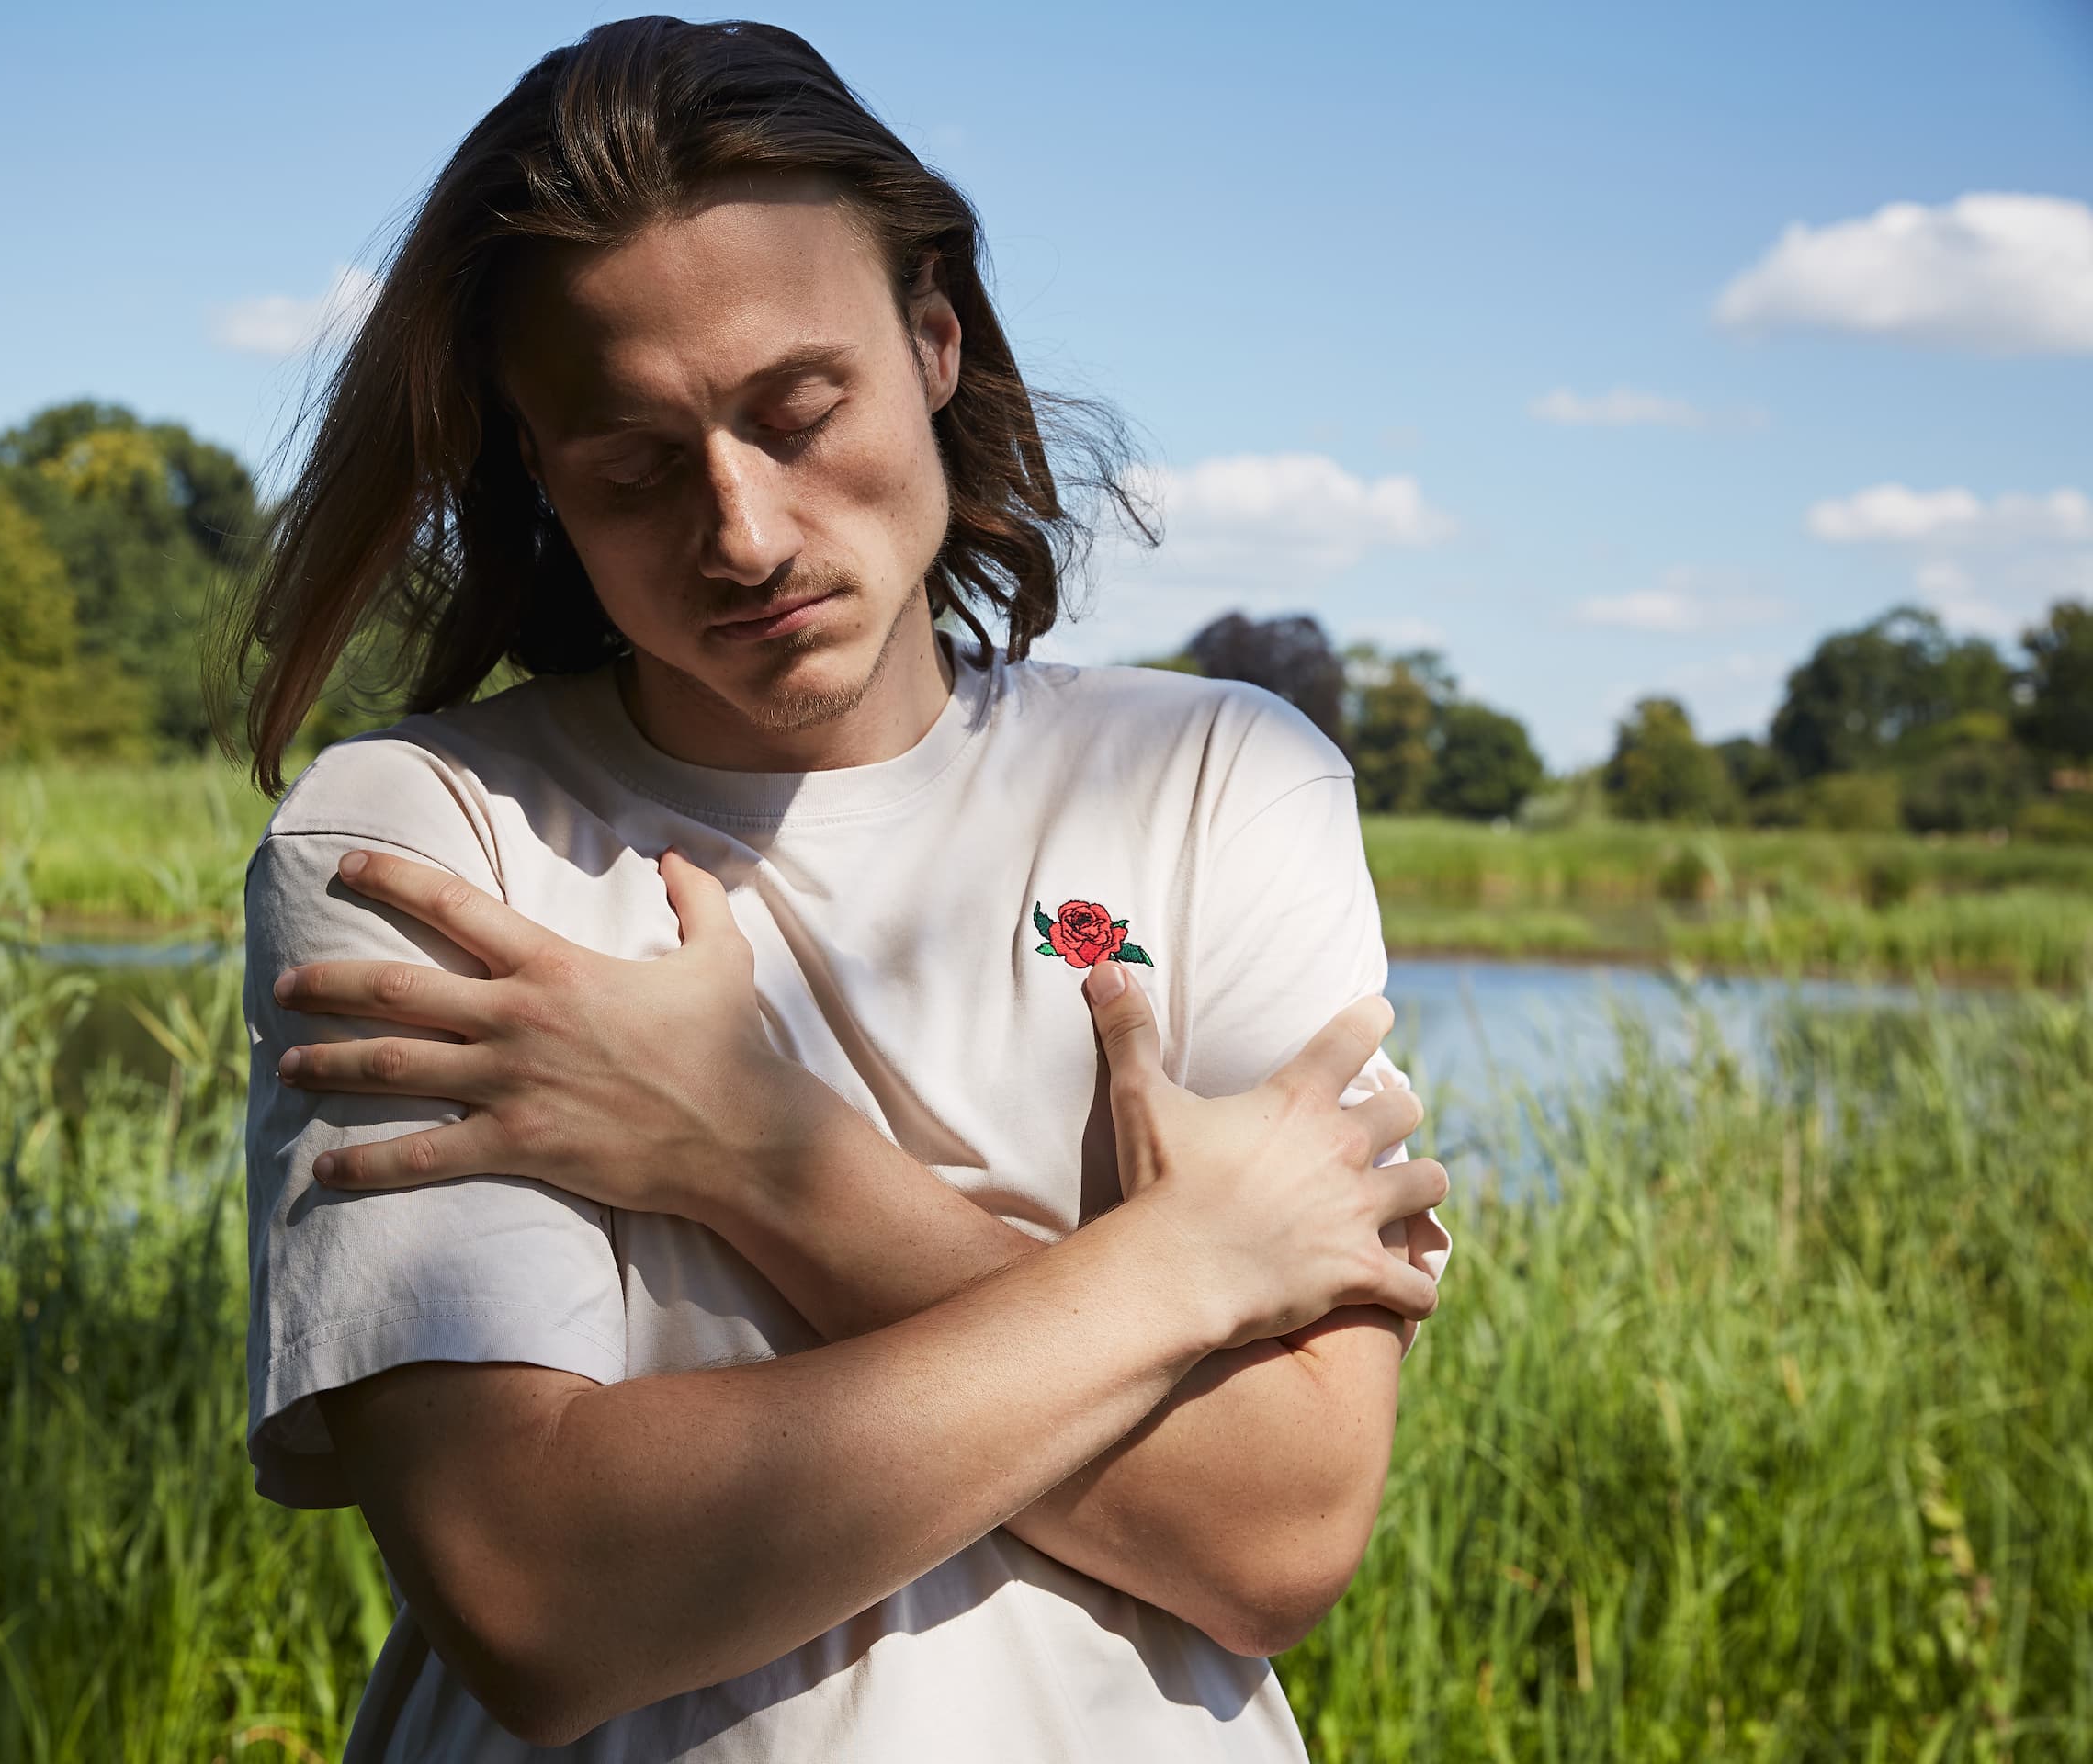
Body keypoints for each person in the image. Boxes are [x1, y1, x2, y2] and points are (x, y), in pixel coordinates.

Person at [219, 17, 1452, 1759]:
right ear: (538, 477)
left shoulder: (1217, 784)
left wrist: (745, 1147)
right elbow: (542, 1592)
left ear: (934, 339)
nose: (743, 533)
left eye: (800, 414)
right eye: (634, 466)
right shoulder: (423, 839)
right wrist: (1180, 1276)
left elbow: (1274, 1532)